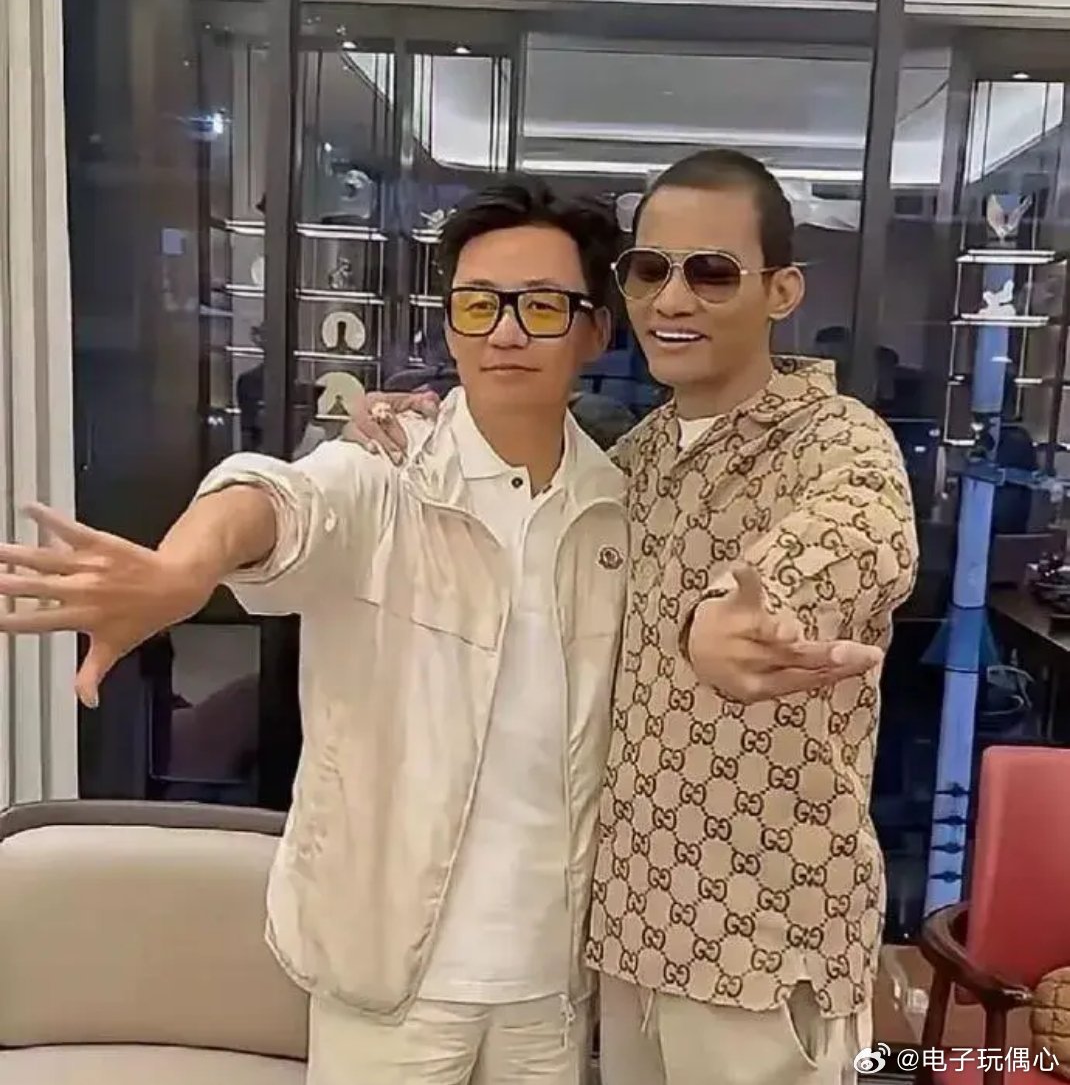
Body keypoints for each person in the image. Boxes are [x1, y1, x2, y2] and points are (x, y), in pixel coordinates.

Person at [0, 178, 633, 1085]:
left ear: (593, 331)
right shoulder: (385, 474)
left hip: (550, 988)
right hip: (391, 979)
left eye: (540, 306)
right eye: (478, 304)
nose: (504, 332)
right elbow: (273, 497)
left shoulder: (614, 509)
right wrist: (182, 569)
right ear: (451, 323)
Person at [347, 149, 919, 1085]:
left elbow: (859, 535)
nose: (673, 299)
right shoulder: (631, 465)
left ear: (781, 290)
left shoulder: (838, 440)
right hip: (628, 936)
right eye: (650, 270)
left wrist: (742, 614)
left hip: (763, 949)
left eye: (712, 272)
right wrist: (400, 424)